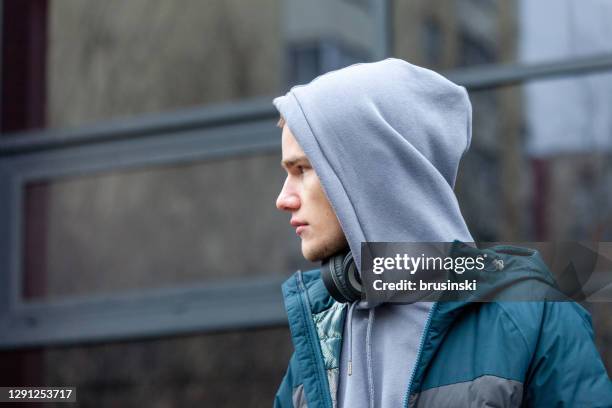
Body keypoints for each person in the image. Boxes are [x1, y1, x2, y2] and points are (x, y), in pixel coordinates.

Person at [272, 58, 612, 407]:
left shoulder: (532, 318)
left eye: (302, 169)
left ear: (371, 174)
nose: (284, 199)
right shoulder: (319, 341)